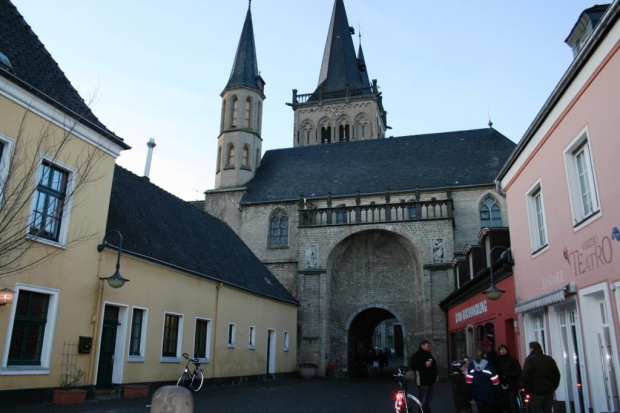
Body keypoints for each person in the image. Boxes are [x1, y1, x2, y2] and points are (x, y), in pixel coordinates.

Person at [521, 341, 560, 413]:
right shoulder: (549, 359)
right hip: (548, 389)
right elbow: (556, 375)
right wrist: (553, 387)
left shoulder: (530, 360)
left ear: (532, 349)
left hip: (535, 391)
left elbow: (525, 376)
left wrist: (528, 389)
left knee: (535, 410)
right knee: (547, 410)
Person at [465, 348, 500, 413]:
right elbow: (495, 381)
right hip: (489, 394)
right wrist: (498, 394)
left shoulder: (471, 366)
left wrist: (469, 395)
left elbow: (468, 382)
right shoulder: (489, 365)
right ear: (485, 355)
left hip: (477, 394)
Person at [411, 339, 438, 413]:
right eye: (427, 346)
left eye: (429, 346)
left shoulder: (429, 354)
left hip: (430, 381)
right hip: (423, 381)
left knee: (428, 400)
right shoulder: (416, 355)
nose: (429, 348)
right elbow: (414, 366)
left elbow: (433, 365)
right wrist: (425, 365)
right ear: (422, 346)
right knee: (423, 401)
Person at [498, 344, 522, 413]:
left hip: (512, 385)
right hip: (502, 385)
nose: (502, 351)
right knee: (506, 404)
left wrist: (508, 374)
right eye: (501, 349)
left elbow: (518, 372)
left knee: (512, 403)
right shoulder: (498, 361)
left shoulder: (512, 360)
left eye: (504, 349)